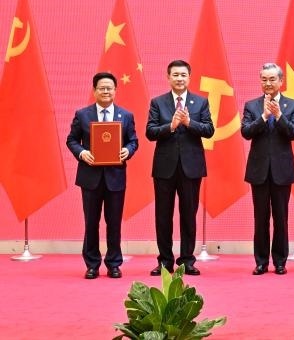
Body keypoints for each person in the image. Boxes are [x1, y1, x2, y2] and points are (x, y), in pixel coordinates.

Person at [66, 72, 138, 279]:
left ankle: (114, 264)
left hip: (115, 177)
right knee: (91, 222)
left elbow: (133, 141)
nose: (106, 91)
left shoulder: (126, 115)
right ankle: (92, 264)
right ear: (94, 90)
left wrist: (127, 150)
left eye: (109, 88)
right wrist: (82, 152)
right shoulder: (82, 115)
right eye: (101, 88)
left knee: (114, 223)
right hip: (90, 177)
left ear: (115, 90)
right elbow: (71, 140)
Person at [146, 59, 215, 276]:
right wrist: (171, 126)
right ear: (168, 77)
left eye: (183, 75)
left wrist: (188, 123)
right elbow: (150, 132)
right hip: (164, 168)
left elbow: (209, 130)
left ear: (189, 77)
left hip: (191, 168)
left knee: (188, 216)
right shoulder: (158, 102)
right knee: (163, 216)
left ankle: (187, 261)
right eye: (175, 75)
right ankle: (165, 261)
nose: (179, 78)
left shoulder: (200, 102)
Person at [240, 63, 294, 276]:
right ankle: (261, 262)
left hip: (282, 170)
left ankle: (280, 261)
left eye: (272, 79)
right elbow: (246, 132)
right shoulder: (251, 105)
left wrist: (280, 115)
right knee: (261, 218)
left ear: (280, 81)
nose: (268, 83)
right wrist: (264, 116)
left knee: (281, 218)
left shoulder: (292, 105)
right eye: (264, 79)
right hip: (258, 170)